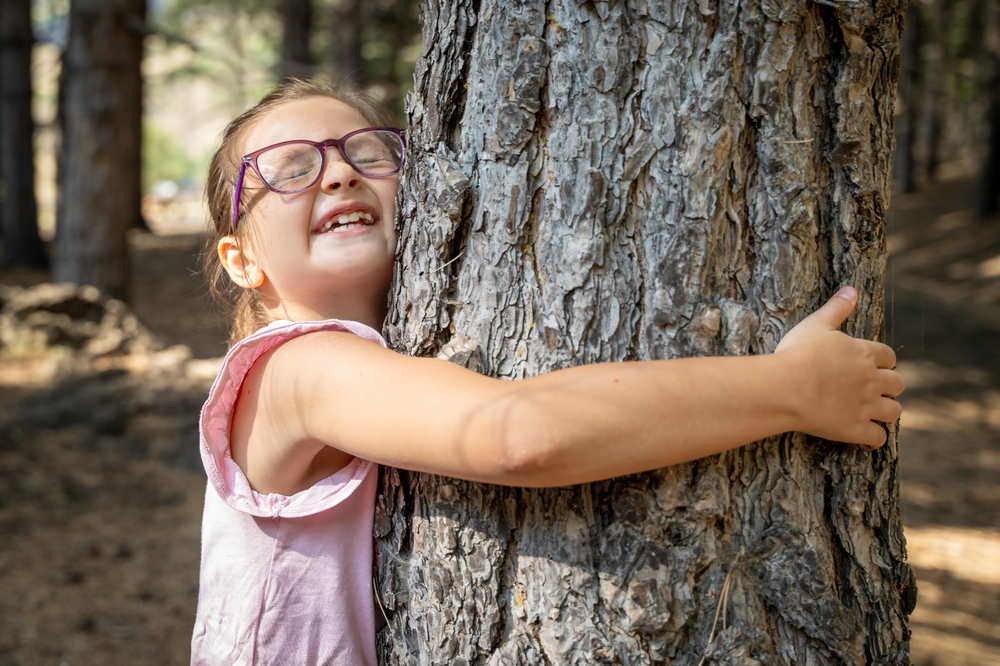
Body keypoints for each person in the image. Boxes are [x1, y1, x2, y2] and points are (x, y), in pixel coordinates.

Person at [191, 78, 905, 665]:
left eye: (369, 152)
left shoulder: (368, 363)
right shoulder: (296, 368)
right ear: (242, 260)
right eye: (289, 168)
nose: (340, 170)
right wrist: (789, 389)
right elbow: (518, 432)